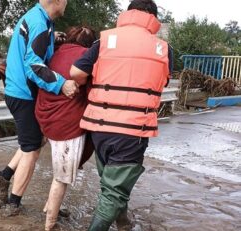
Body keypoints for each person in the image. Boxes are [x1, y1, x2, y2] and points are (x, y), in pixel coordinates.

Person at [70, 0, 173, 230]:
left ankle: (124, 223)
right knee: (113, 191)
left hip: (100, 128)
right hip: (132, 130)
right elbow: (163, 81)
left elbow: (75, 72)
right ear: (152, 18)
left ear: (128, 14)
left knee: (112, 185)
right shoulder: (163, 48)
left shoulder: (104, 40)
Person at [0, 0, 78, 215]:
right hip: (24, 95)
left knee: (34, 140)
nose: (67, 3)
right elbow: (33, 65)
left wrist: (53, 39)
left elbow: (34, 48)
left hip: (17, 91)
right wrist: (61, 83)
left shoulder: (39, 19)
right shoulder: (39, 23)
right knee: (31, 150)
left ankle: (4, 176)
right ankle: (13, 204)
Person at [34, 26, 97, 231]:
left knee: (60, 170)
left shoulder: (55, 53)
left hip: (45, 118)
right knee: (61, 177)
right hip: (66, 124)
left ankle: (49, 207)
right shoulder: (86, 57)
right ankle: (50, 224)